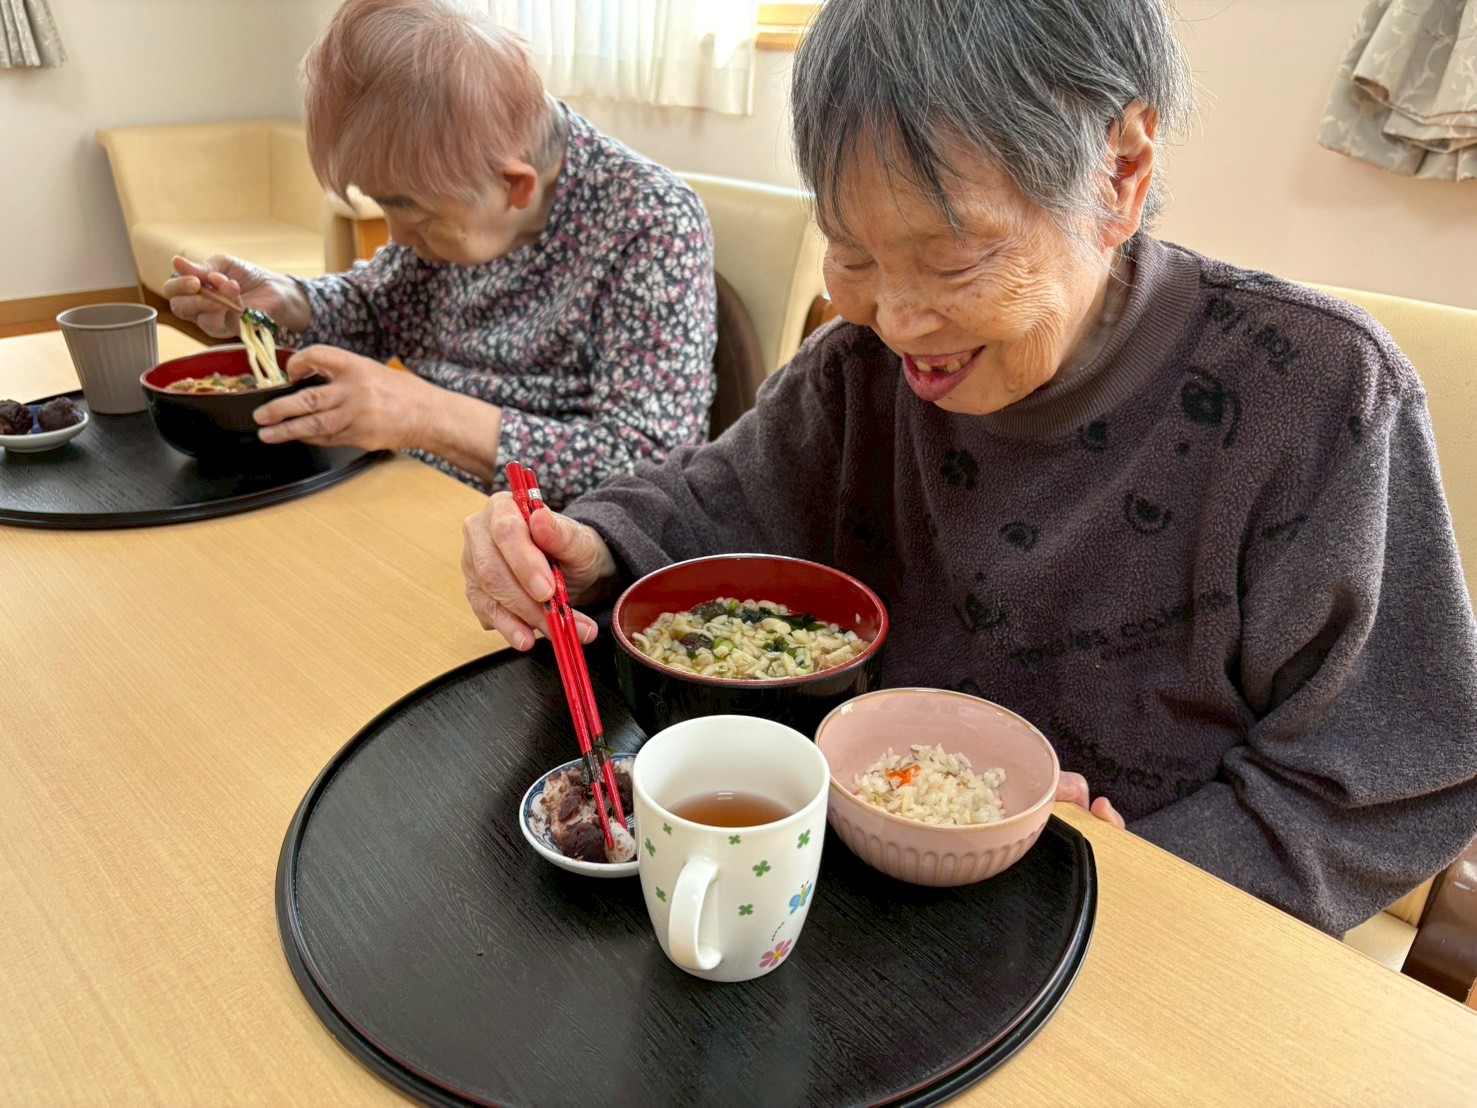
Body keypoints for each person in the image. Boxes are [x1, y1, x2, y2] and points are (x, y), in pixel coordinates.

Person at [459, 0, 1477, 935]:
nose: (896, 322)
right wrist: (581, 544)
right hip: (863, 908)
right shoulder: (856, 372)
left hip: (1143, 944)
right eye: (849, 250)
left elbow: (1385, 774)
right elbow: (708, 499)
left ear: (1118, 170)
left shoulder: (1311, 396)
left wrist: (1126, 876)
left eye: (949, 259)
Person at [163, 0, 716, 507]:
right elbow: (378, 308)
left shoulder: (651, 223)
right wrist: (289, 301)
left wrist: (421, 414)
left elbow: (650, 469)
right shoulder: (457, 191)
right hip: (408, 486)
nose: (398, 236)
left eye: (413, 211)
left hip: (548, 546)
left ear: (514, 186)